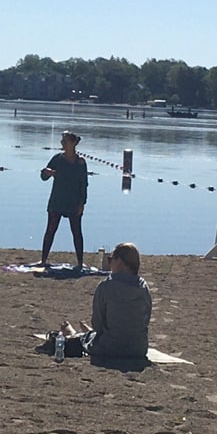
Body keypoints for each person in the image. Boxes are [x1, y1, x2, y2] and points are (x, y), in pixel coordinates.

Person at [87, 242, 152, 361]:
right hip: (138, 349)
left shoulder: (105, 286)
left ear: (120, 262)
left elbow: (97, 323)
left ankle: (69, 331)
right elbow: (145, 319)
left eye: (111, 259)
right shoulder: (143, 287)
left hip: (110, 347)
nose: (109, 262)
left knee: (85, 339)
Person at [39, 130, 89, 270]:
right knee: (50, 230)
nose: (62, 143)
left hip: (73, 202)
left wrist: (82, 203)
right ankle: (43, 260)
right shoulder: (57, 159)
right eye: (62, 141)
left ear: (73, 143)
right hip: (57, 201)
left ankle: (79, 262)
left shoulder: (80, 163)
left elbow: (83, 185)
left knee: (77, 232)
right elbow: (43, 177)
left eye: (65, 141)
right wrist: (47, 173)